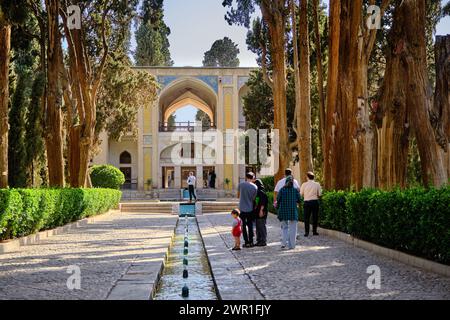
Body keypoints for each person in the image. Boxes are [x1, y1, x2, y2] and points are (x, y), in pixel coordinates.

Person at [276, 175, 301, 250]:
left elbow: (278, 199)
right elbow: (299, 200)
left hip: (283, 211)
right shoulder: (295, 190)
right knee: (293, 228)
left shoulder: (282, 190)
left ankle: (283, 243)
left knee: (284, 227)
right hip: (293, 211)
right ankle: (292, 245)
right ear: (293, 182)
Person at [237, 172, 258, 248]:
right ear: (252, 178)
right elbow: (253, 199)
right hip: (250, 209)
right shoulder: (255, 187)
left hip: (242, 208)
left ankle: (246, 242)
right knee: (250, 225)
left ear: (246, 177)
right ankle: (251, 242)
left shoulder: (241, 185)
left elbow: (238, 196)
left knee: (243, 226)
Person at [300, 171, 322, 237]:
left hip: (307, 202)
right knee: (315, 217)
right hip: (315, 202)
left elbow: (301, 194)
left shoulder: (304, 184)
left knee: (306, 218)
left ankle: (306, 232)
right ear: (313, 177)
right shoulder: (317, 184)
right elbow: (320, 194)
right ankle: (314, 231)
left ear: (307, 177)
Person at [254, 179, 268, 247]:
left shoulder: (261, 192)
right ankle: (259, 240)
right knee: (258, 227)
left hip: (261, 212)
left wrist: (261, 211)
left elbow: (263, 203)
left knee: (262, 226)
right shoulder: (258, 192)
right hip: (257, 212)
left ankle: (263, 241)